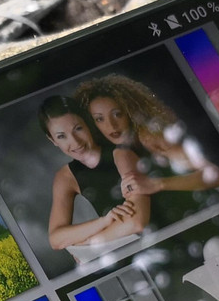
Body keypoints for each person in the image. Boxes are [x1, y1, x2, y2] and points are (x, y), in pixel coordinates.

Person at [76, 75, 219, 210]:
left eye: (117, 114)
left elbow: (217, 173)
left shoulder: (148, 135)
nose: (111, 125)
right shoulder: (136, 143)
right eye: (99, 119)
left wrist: (157, 184)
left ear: (129, 109)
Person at [39, 94, 148, 255]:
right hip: (122, 253)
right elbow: (56, 239)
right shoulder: (66, 177)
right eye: (61, 136)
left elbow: (136, 223)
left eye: (78, 129)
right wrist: (103, 221)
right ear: (52, 140)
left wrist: (87, 243)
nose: (75, 142)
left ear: (87, 123)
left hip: (157, 242)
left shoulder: (121, 154)